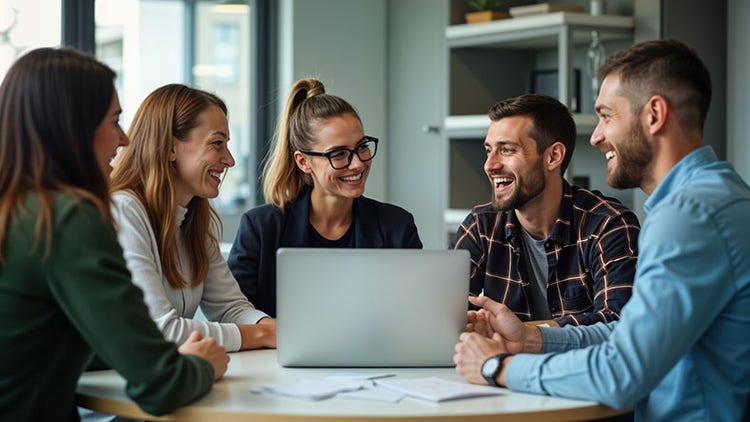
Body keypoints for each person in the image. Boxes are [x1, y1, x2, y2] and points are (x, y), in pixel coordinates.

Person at [453, 39, 750, 420]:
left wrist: (497, 368)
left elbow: (620, 372)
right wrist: (530, 337)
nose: (595, 137)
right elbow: (631, 336)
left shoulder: (689, 216)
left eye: (607, 116)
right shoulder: (715, 197)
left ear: (654, 115)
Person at [0, 47, 229, 419]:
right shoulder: (66, 219)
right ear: (72, 127)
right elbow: (160, 386)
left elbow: (44, 346)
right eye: (114, 121)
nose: (124, 139)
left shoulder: (18, 211)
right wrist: (202, 363)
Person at [228, 78, 422, 317]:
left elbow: (414, 314)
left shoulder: (397, 226)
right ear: (303, 161)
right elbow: (234, 315)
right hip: (275, 354)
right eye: (339, 154)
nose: (358, 163)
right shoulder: (260, 228)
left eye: (362, 146)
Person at [109, 84, 276, 352]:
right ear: (171, 148)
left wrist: (271, 327)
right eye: (217, 143)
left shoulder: (196, 217)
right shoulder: (125, 210)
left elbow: (230, 307)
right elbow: (160, 329)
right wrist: (262, 336)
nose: (230, 160)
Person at [451, 93, 639, 327]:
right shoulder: (481, 226)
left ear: (553, 157)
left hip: (575, 365)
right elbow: (441, 314)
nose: (489, 165)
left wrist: (520, 333)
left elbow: (619, 323)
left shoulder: (608, 225)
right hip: (501, 363)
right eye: (489, 150)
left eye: (507, 150)